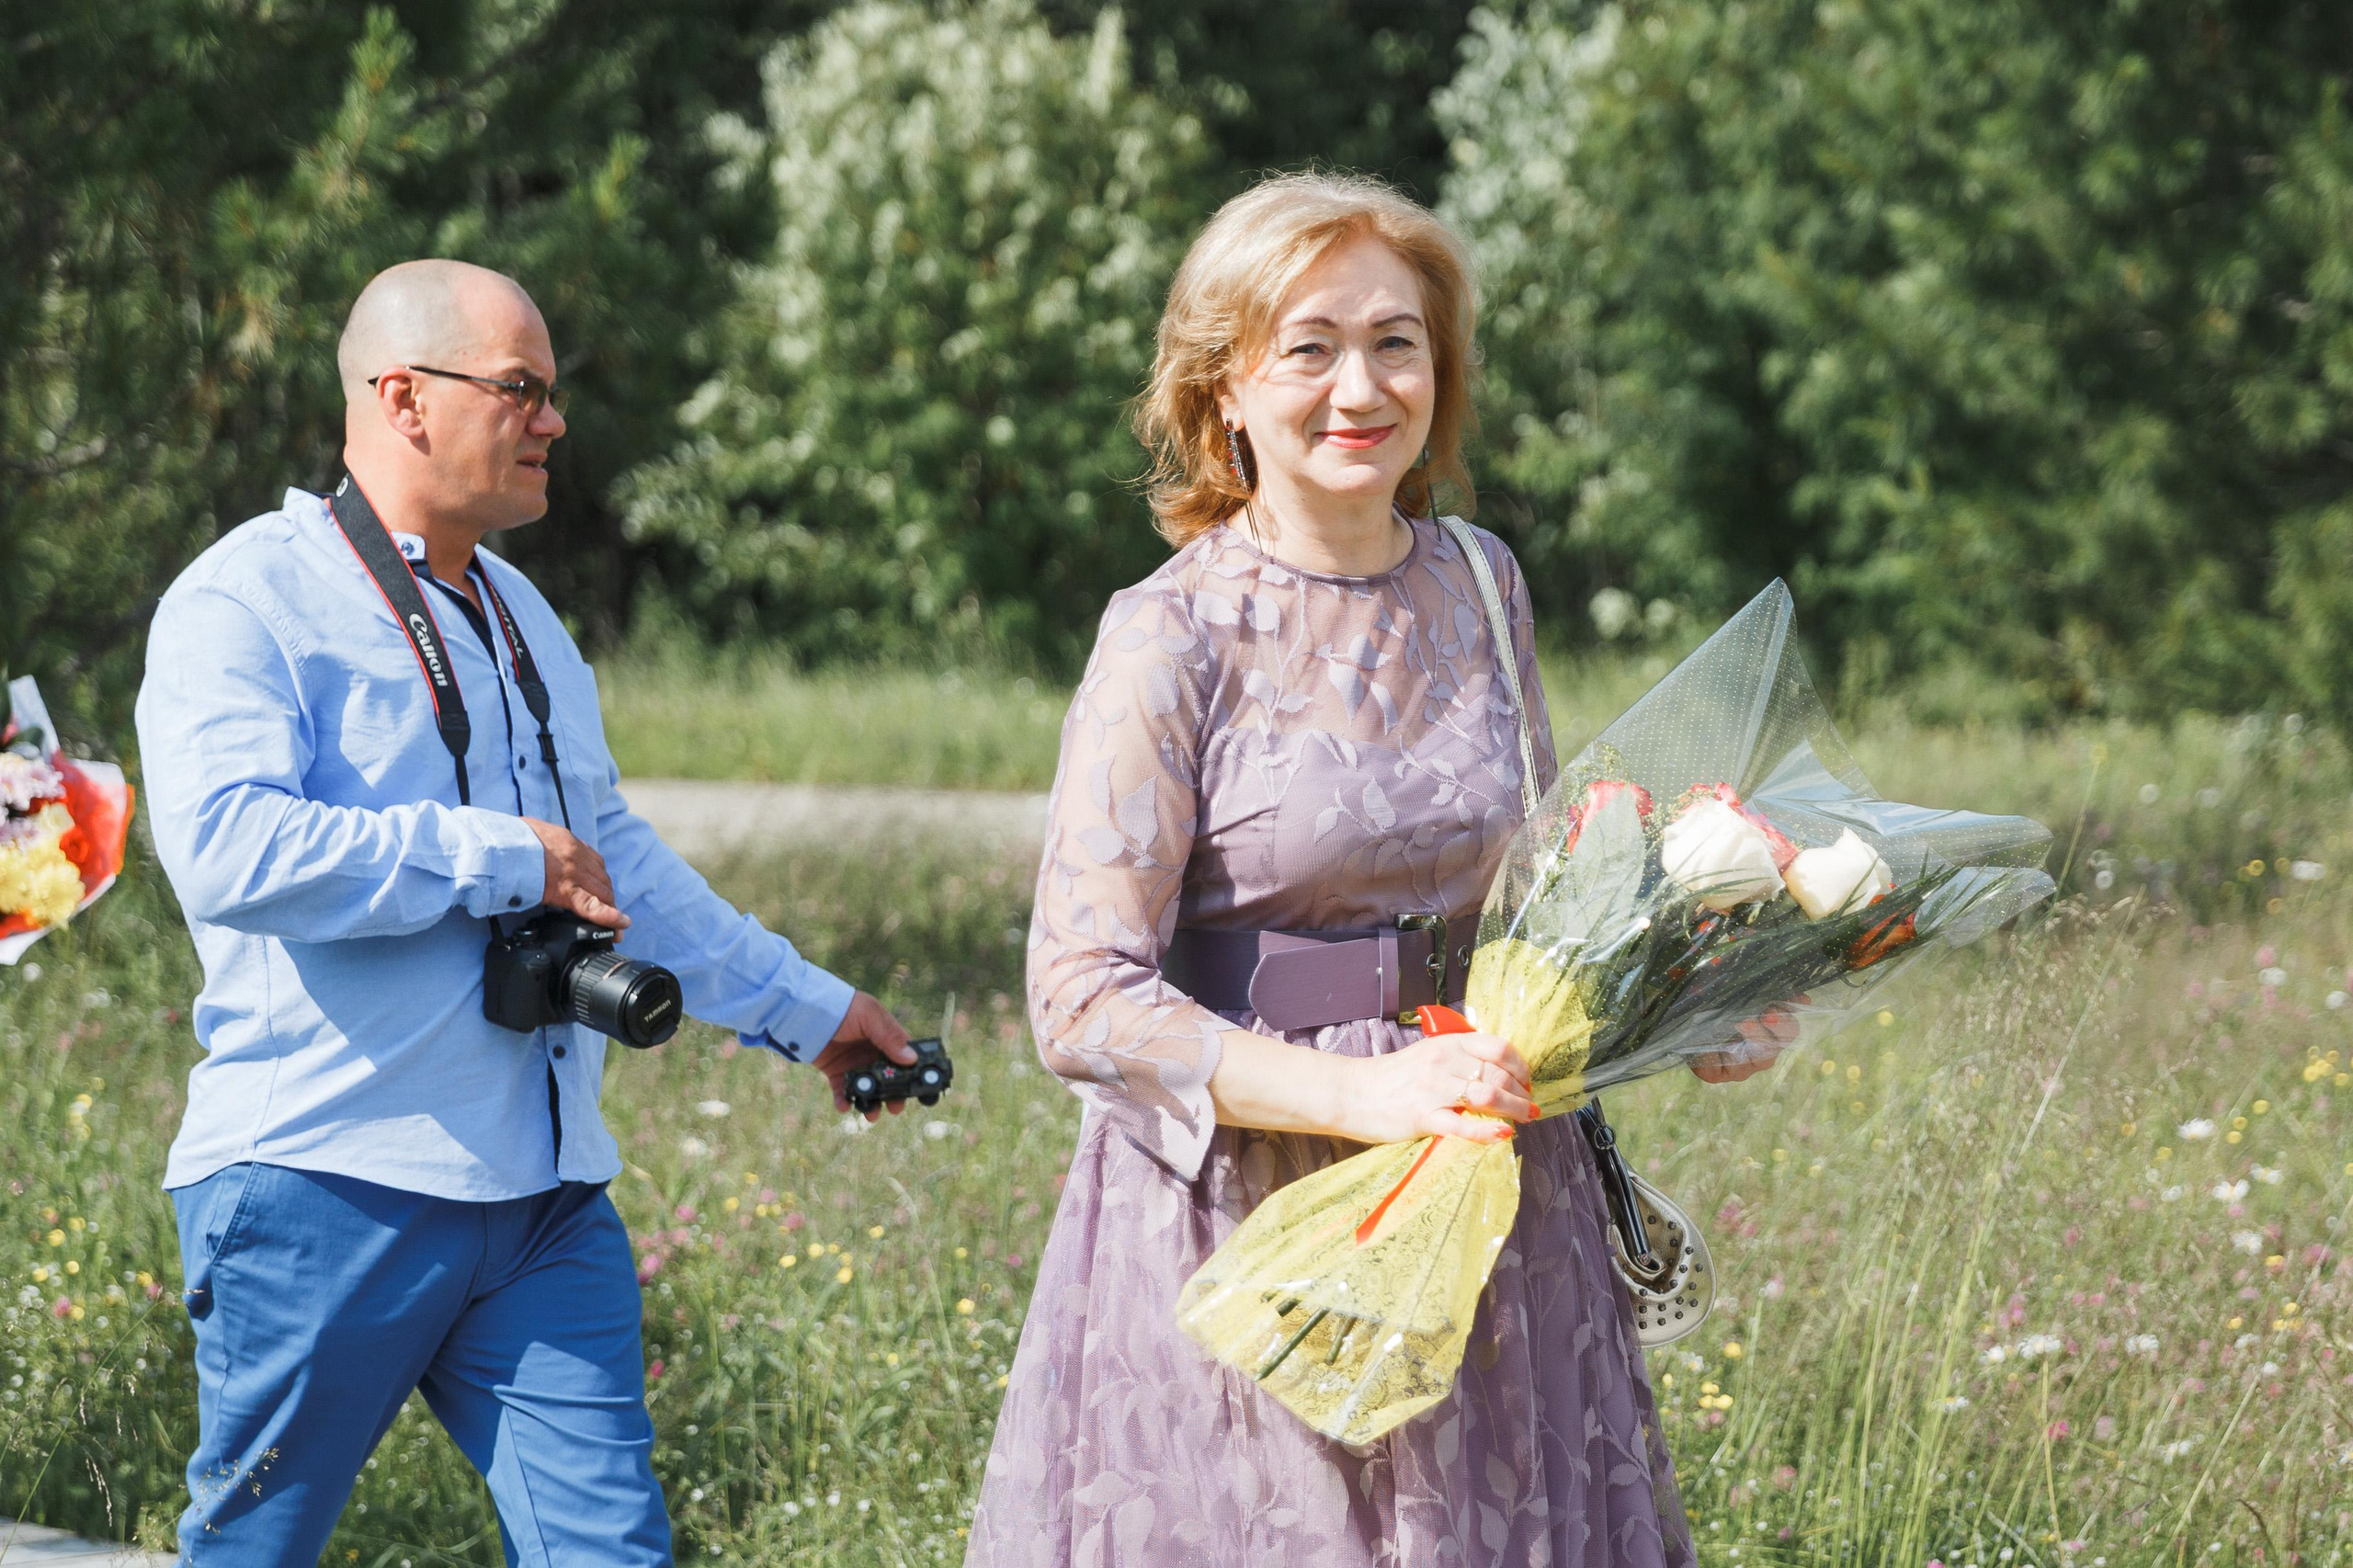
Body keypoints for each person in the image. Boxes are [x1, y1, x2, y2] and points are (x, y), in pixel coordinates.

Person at [967, 174, 1781, 1566]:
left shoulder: (1481, 581)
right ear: (1226, 384)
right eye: (1311, 345)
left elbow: (1528, 899)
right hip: (1259, 1210)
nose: (1362, 385)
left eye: (1397, 342)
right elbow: (1081, 998)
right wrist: (1361, 1092)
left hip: (1490, 1189)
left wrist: (1685, 998)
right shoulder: (1170, 636)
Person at [134, 259, 915, 1566]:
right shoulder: (244, 599)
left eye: (552, 395)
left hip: (547, 1198)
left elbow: (619, 870)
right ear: (404, 398)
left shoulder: (524, 617)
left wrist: (811, 1010)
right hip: (324, 1184)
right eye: (522, 390)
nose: (554, 422)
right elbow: (228, 853)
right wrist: (498, 856)